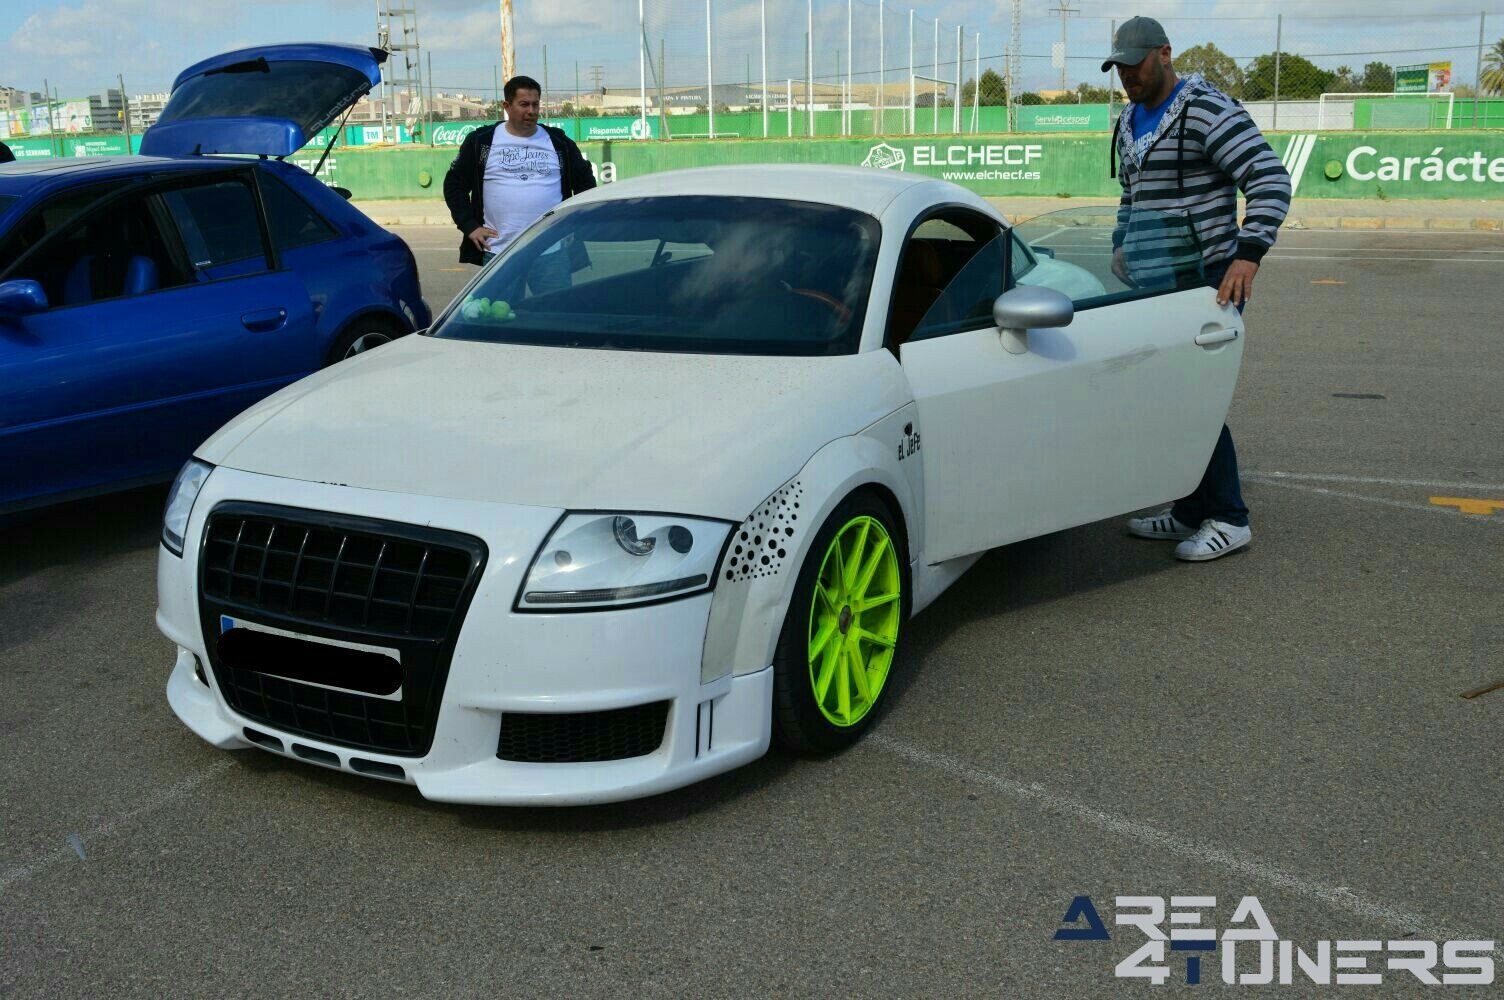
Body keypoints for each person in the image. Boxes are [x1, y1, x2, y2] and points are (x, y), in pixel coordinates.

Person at [1104, 16, 1291, 562]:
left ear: (1165, 54)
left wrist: (1248, 255)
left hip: (1206, 281)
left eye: (1135, 64)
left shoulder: (1207, 110)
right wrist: (1121, 243)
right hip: (1154, 283)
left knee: (1195, 399)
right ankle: (1190, 510)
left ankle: (1230, 518)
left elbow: (1270, 179)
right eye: (1119, 67)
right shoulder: (1129, 119)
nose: (1127, 76)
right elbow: (1131, 194)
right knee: (1165, 400)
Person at [442, 74, 596, 286]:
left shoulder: (559, 142)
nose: (531, 111)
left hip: (551, 252)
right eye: (524, 104)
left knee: (551, 308)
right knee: (500, 308)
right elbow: (454, 185)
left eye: (535, 104)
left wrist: (574, 222)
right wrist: (469, 225)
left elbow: (585, 183)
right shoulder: (482, 141)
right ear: (507, 106)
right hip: (499, 253)